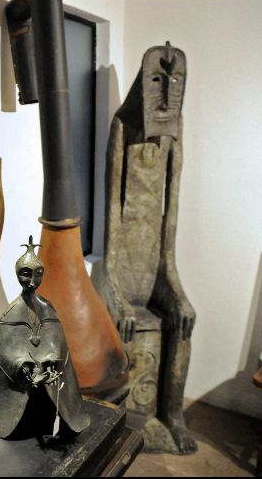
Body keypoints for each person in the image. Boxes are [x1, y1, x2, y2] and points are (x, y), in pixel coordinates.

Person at [102, 42, 197, 454]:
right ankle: (128, 420)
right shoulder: (122, 128)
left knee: (183, 318)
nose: (164, 94)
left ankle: (171, 415)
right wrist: (119, 301)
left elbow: (169, 231)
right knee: (126, 324)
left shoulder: (175, 140)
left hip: (156, 274)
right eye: (157, 80)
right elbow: (111, 230)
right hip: (122, 276)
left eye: (173, 82)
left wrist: (177, 294)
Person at [0, 236, 89, 438]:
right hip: (18, 391)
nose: (32, 281)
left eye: (38, 274)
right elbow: (3, 351)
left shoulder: (47, 309)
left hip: (45, 392)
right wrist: (22, 363)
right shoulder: (11, 313)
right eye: (26, 274)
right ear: (18, 274)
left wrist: (51, 358)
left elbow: (57, 341)